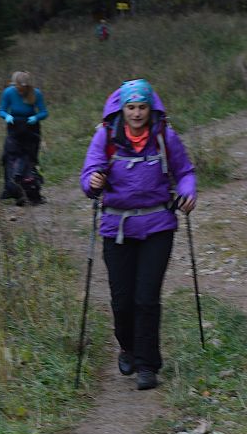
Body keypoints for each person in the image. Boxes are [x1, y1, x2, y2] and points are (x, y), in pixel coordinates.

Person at [80, 79, 196, 390]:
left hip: (158, 225)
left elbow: (184, 171)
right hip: (116, 228)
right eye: (131, 107)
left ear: (150, 107)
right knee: (122, 301)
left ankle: (148, 365)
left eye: (142, 107)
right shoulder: (106, 136)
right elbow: (89, 172)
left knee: (146, 298)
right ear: (122, 108)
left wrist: (187, 193)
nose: (136, 113)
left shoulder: (163, 135)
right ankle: (128, 347)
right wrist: (92, 182)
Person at [0, 70, 48, 204]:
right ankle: (13, 190)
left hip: (31, 129)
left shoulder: (35, 93)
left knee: (29, 159)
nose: (20, 91)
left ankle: (31, 191)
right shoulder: (8, 92)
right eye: (18, 88)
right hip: (14, 128)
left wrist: (36, 117)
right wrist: (7, 116)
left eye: (23, 88)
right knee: (11, 157)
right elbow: (1, 110)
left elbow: (44, 112)